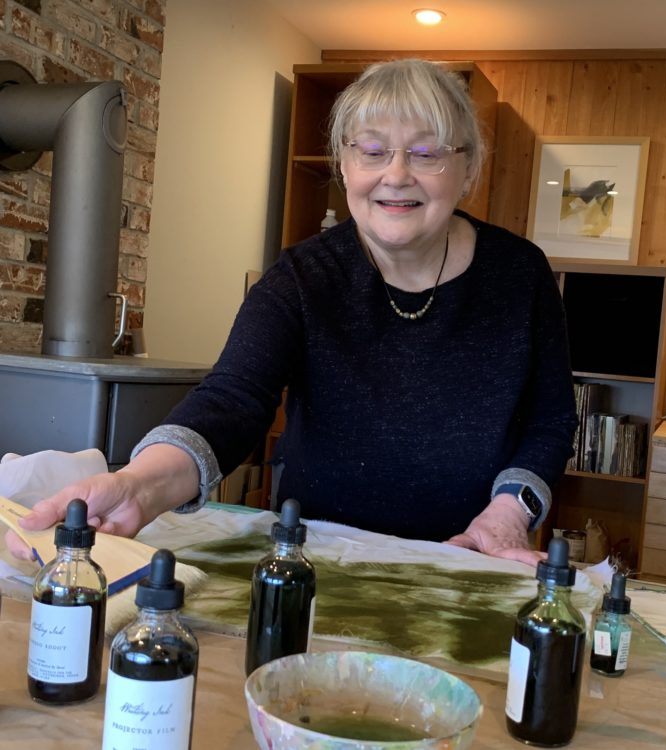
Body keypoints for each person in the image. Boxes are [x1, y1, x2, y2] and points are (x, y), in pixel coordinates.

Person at [8, 59, 577, 567]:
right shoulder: (303, 277)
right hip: (318, 556)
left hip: (467, 559)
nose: (397, 174)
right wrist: (137, 486)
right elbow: (232, 400)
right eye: (372, 150)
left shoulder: (520, 275)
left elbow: (549, 422)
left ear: (467, 168)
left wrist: (508, 513)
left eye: (426, 152)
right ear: (345, 164)